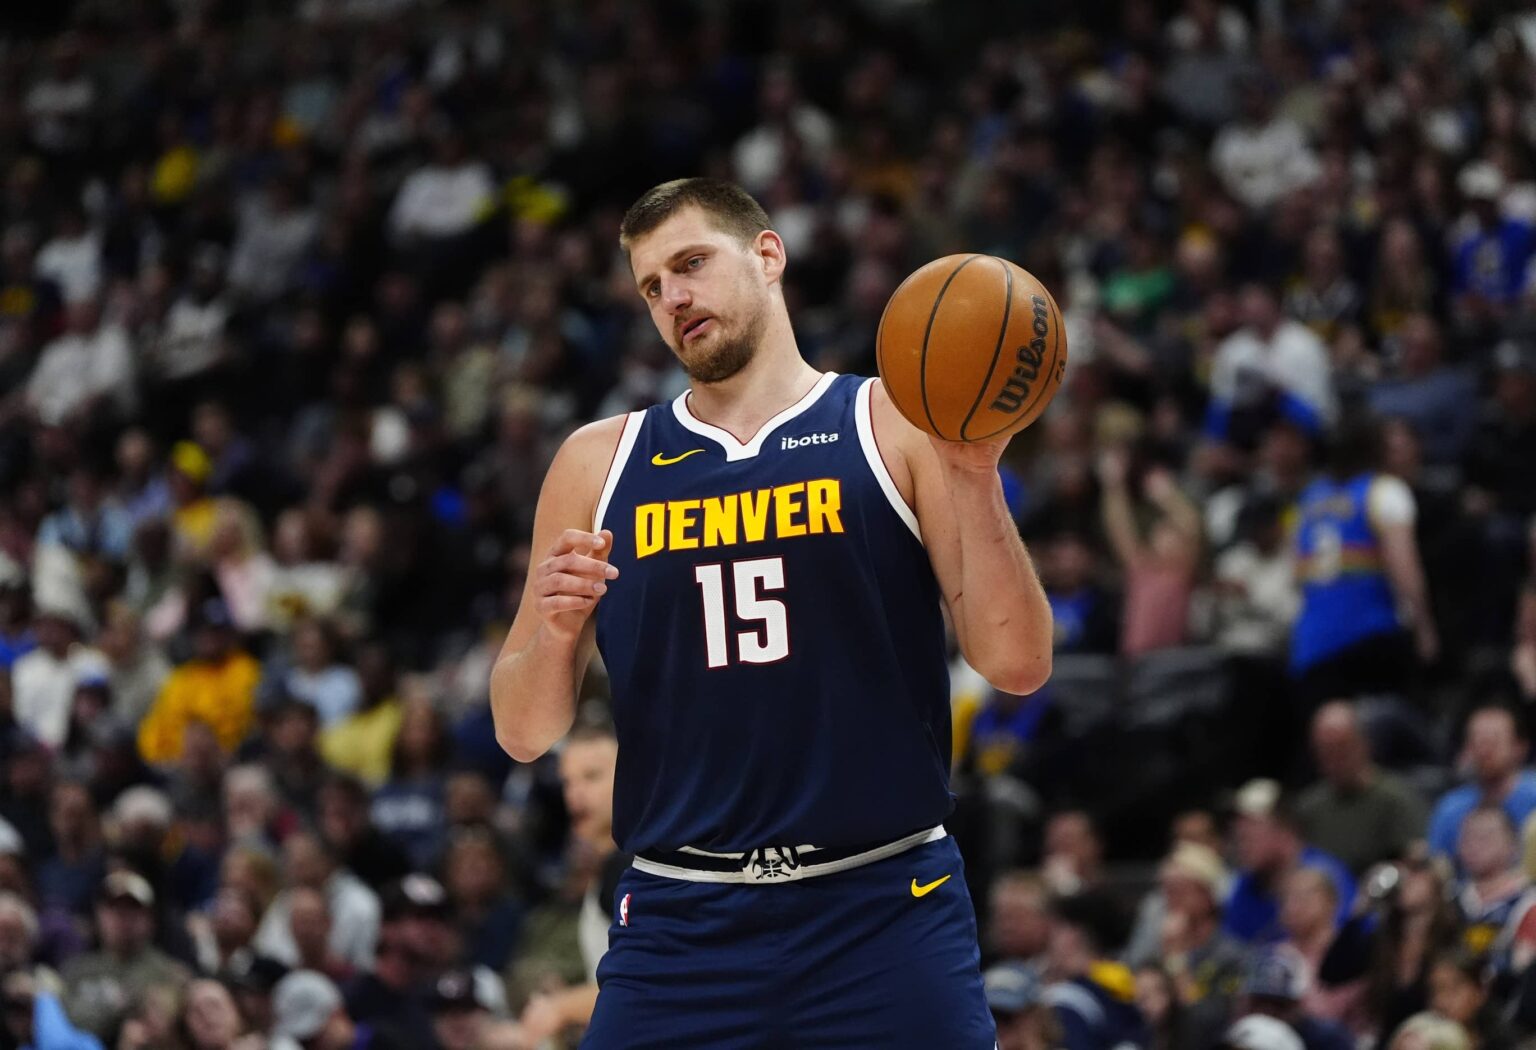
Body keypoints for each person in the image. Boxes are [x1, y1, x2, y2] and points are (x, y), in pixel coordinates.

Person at [488, 177, 1053, 1047]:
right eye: (651, 287)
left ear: (768, 254)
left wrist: (975, 477)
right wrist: (556, 633)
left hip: (882, 908)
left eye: (691, 264)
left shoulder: (896, 421)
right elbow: (523, 732)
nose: (673, 298)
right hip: (681, 921)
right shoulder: (597, 462)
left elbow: (1017, 664)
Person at [1289, 418, 1437, 704]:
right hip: (1371, 636)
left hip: (1313, 643)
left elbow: (1296, 574)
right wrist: (1424, 626)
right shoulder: (1384, 490)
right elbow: (1404, 567)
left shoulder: (1308, 500)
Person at [1295, 702, 1429, 876]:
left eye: (1341, 748)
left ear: (1364, 743)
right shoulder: (1309, 808)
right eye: (1326, 751)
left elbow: (1417, 861)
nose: (1334, 760)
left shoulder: (1395, 800)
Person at [1427, 706, 1536, 860]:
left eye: (1493, 742)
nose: (1484, 751)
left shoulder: (1533, 796)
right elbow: (1438, 865)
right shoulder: (1450, 808)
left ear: (1519, 747)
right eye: (1477, 742)